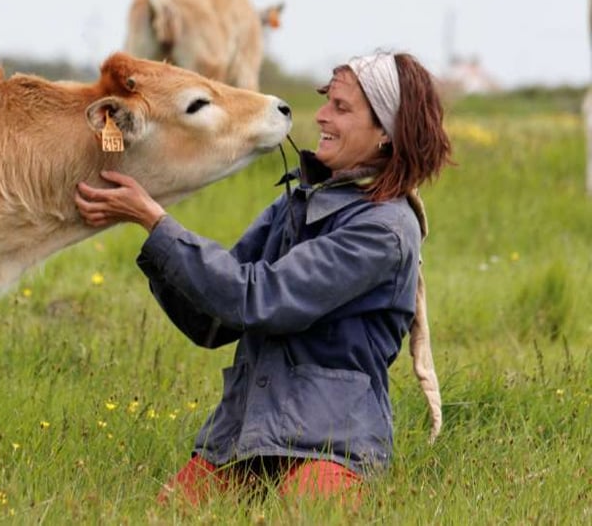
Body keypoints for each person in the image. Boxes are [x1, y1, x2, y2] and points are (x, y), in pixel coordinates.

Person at [74, 51, 452, 507]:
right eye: (327, 101)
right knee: (166, 513)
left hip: (331, 446)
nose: (321, 116)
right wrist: (157, 240)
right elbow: (214, 322)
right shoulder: (298, 202)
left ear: (387, 135)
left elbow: (259, 299)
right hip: (244, 438)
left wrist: (157, 223)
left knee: (300, 515)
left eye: (342, 108)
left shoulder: (383, 230)